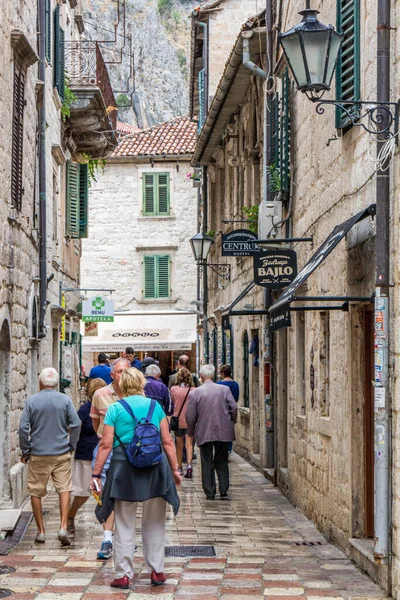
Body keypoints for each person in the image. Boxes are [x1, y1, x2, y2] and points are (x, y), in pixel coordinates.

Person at [91, 368, 182, 589]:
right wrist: (175, 470)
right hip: (155, 467)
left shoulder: (115, 409)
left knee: (123, 523)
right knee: (154, 522)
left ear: (121, 385)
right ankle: (157, 571)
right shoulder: (155, 406)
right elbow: (167, 442)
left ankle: (123, 574)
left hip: (124, 469)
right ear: (142, 384)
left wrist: (96, 473)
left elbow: (105, 444)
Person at [18, 368, 81, 546]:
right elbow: (76, 424)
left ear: (40, 382)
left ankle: (41, 532)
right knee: (64, 488)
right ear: (57, 384)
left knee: (35, 491)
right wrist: (71, 445)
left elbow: (23, 429)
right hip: (61, 452)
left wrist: (26, 450)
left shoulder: (32, 401)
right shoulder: (65, 400)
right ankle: (62, 526)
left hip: (38, 453)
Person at [90, 357, 131, 559]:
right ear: (112, 374)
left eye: (127, 371)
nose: (123, 375)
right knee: (105, 493)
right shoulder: (100, 394)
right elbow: (95, 423)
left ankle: (125, 539)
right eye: (120, 371)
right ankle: (107, 538)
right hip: (106, 449)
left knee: (127, 495)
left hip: (131, 451)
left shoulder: (138, 395)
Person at [186, 364, 237, 500]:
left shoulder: (196, 393)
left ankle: (210, 491)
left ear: (201, 377)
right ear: (213, 375)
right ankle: (224, 488)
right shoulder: (224, 390)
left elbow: (190, 415)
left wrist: (191, 431)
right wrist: (232, 421)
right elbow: (234, 407)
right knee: (222, 459)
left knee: (207, 460)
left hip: (204, 430)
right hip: (223, 429)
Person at [67, 378, 107, 533]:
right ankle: (70, 516)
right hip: (86, 454)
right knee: (83, 491)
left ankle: (109, 527)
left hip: (104, 454)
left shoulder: (109, 408)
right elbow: (74, 427)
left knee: (107, 492)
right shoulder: (85, 410)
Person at [170, 368, 196, 478]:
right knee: (189, 444)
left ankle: (179, 467)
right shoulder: (194, 390)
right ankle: (189, 466)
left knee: (179, 444)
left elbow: (171, 404)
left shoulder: (173, 389)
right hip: (190, 420)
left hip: (178, 420)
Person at [217, 365, 239, 453]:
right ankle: (228, 450)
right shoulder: (235, 384)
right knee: (229, 431)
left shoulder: (219, 385)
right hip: (231, 411)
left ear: (222, 373)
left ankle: (220, 449)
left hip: (220, 410)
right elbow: (236, 398)